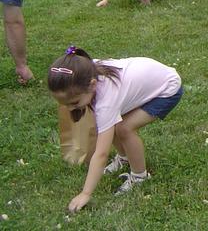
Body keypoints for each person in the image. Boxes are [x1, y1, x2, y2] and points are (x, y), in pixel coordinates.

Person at [48, 46, 182, 212]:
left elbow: (101, 154)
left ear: (92, 85)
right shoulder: (83, 72)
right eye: (63, 104)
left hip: (167, 88)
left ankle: (140, 176)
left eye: (74, 103)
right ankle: (124, 158)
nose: (69, 109)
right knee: (113, 124)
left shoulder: (106, 102)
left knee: (124, 129)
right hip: (153, 75)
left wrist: (86, 193)